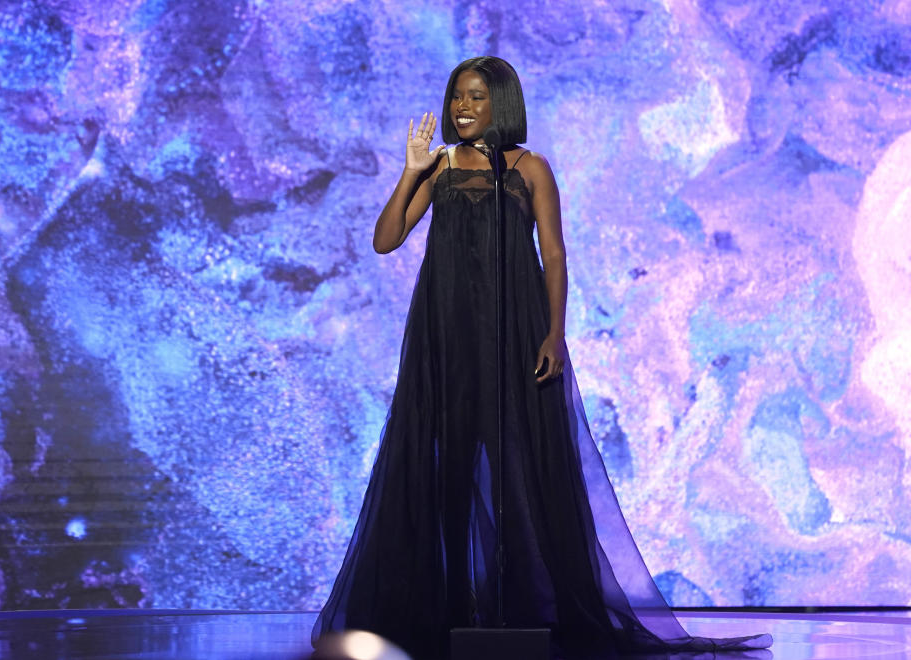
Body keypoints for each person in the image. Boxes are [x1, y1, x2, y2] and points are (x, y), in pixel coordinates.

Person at [313, 56, 772, 660]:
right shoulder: (442, 167)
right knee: (444, 475)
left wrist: (554, 335)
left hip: (515, 337)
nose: (462, 107)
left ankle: (525, 606)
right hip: (444, 340)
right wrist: (409, 172)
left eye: (475, 97)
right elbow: (385, 240)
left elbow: (554, 256)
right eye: (456, 97)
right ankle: (448, 609)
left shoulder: (531, 170)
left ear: (500, 102)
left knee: (522, 473)